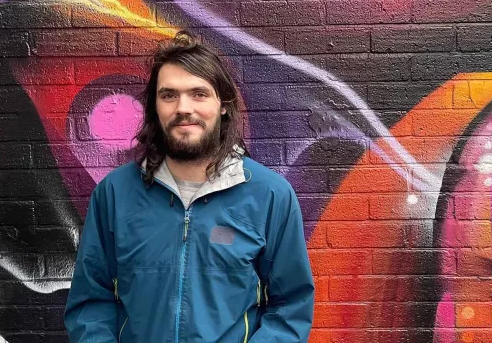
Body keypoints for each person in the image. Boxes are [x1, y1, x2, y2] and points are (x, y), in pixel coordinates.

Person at [64, 30, 315, 342]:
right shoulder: (115, 194)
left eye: (199, 94)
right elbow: (90, 302)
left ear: (223, 105)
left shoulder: (270, 195)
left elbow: (290, 306)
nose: (183, 108)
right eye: (169, 95)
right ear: (154, 107)